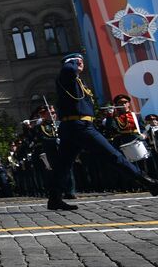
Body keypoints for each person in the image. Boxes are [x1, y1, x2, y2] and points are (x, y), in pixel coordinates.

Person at [46, 53, 158, 210]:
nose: (81, 64)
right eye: (79, 62)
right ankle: (148, 182)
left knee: (63, 165)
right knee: (113, 155)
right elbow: (68, 70)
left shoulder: (76, 81)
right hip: (80, 126)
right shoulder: (67, 76)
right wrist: (72, 62)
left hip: (75, 126)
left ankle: (54, 199)